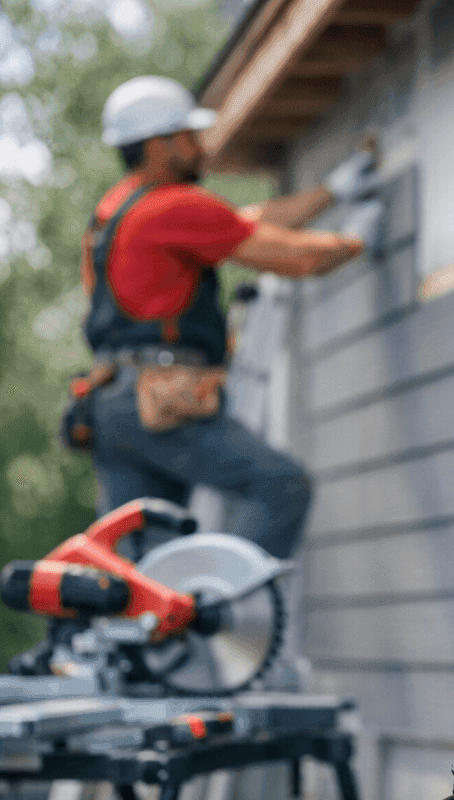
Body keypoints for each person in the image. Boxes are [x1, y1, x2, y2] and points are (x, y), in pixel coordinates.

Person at [77, 75, 377, 561]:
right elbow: (298, 258)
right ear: (158, 144)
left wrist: (330, 193)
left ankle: (167, 608)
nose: (201, 147)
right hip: (160, 398)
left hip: (112, 403)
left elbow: (242, 222)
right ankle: (210, 597)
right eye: (189, 136)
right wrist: (354, 241)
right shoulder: (171, 205)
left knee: (144, 559)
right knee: (280, 486)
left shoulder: (113, 213)